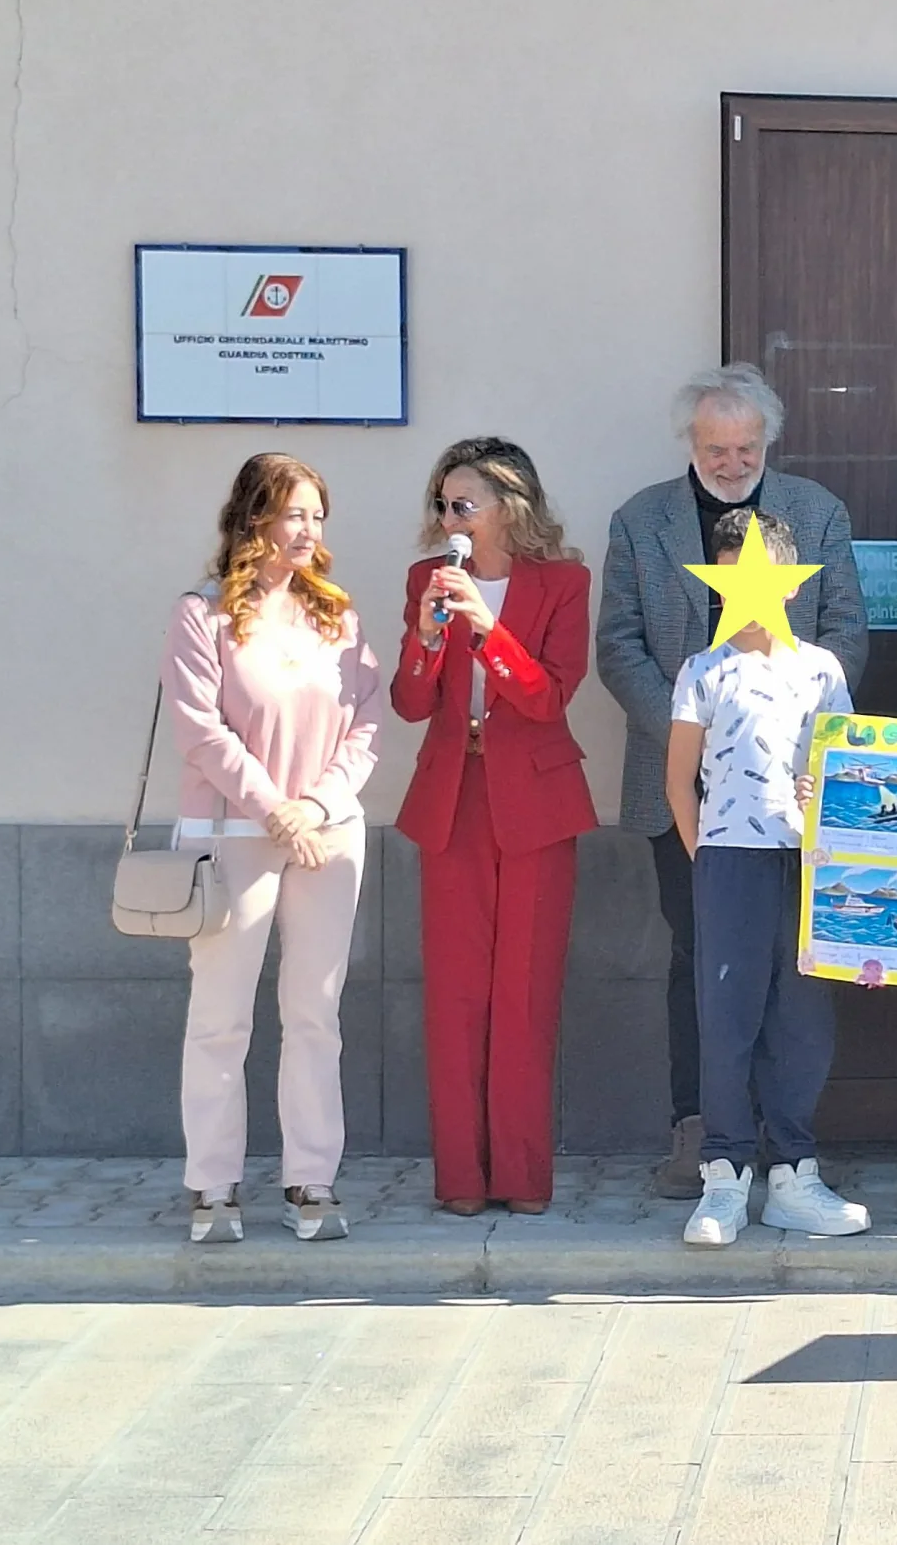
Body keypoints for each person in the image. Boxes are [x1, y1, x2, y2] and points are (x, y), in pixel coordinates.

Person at [596, 364, 870, 1199]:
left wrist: (786, 736)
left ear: (768, 441)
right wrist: (701, 732)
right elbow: (618, 647)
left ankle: (789, 1149)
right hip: (678, 785)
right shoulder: (640, 520)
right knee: (699, 964)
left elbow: (846, 631)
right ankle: (701, 1136)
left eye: (746, 447)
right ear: (691, 442)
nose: (731, 462)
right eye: (715, 448)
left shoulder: (816, 514)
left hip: (792, 794)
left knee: (794, 974)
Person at [163, 453, 383, 1244]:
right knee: (221, 1016)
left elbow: (366, 725)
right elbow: (201, 730)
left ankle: (310, 1179)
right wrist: (275, 811)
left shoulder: (337, 616)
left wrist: (314, 807)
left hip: (327, 835)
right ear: (254, 516)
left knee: (315, 1013)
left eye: (317, 516)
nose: (308, 530)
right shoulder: (202, 615)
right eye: (294, 513)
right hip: (233, 836)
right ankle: (213, 1185)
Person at [389, 438, 597, 1217]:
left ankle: (521, 1175)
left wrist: (486, 630)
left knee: (525, 994)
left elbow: (548, 697)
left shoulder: (563, 582)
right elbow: (410, 703)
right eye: (442, 506)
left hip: (536, 804)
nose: (450, 519)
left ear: (509, 506)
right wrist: (427, 637)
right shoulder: (428, 581)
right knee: (455, 997)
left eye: (464, 505)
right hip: (453, 799)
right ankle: (461, 1180)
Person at [666, 509, 871, 1246]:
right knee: (727, 1016)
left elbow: (845, 766)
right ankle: (724, 1173)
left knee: (802, 1018)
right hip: (729, 862)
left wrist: (826, 806)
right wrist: (706, 857)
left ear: (790, 584)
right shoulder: (703, 670)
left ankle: (793, 1172)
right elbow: (678, 780)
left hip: (807, 862)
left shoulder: (821, 670)